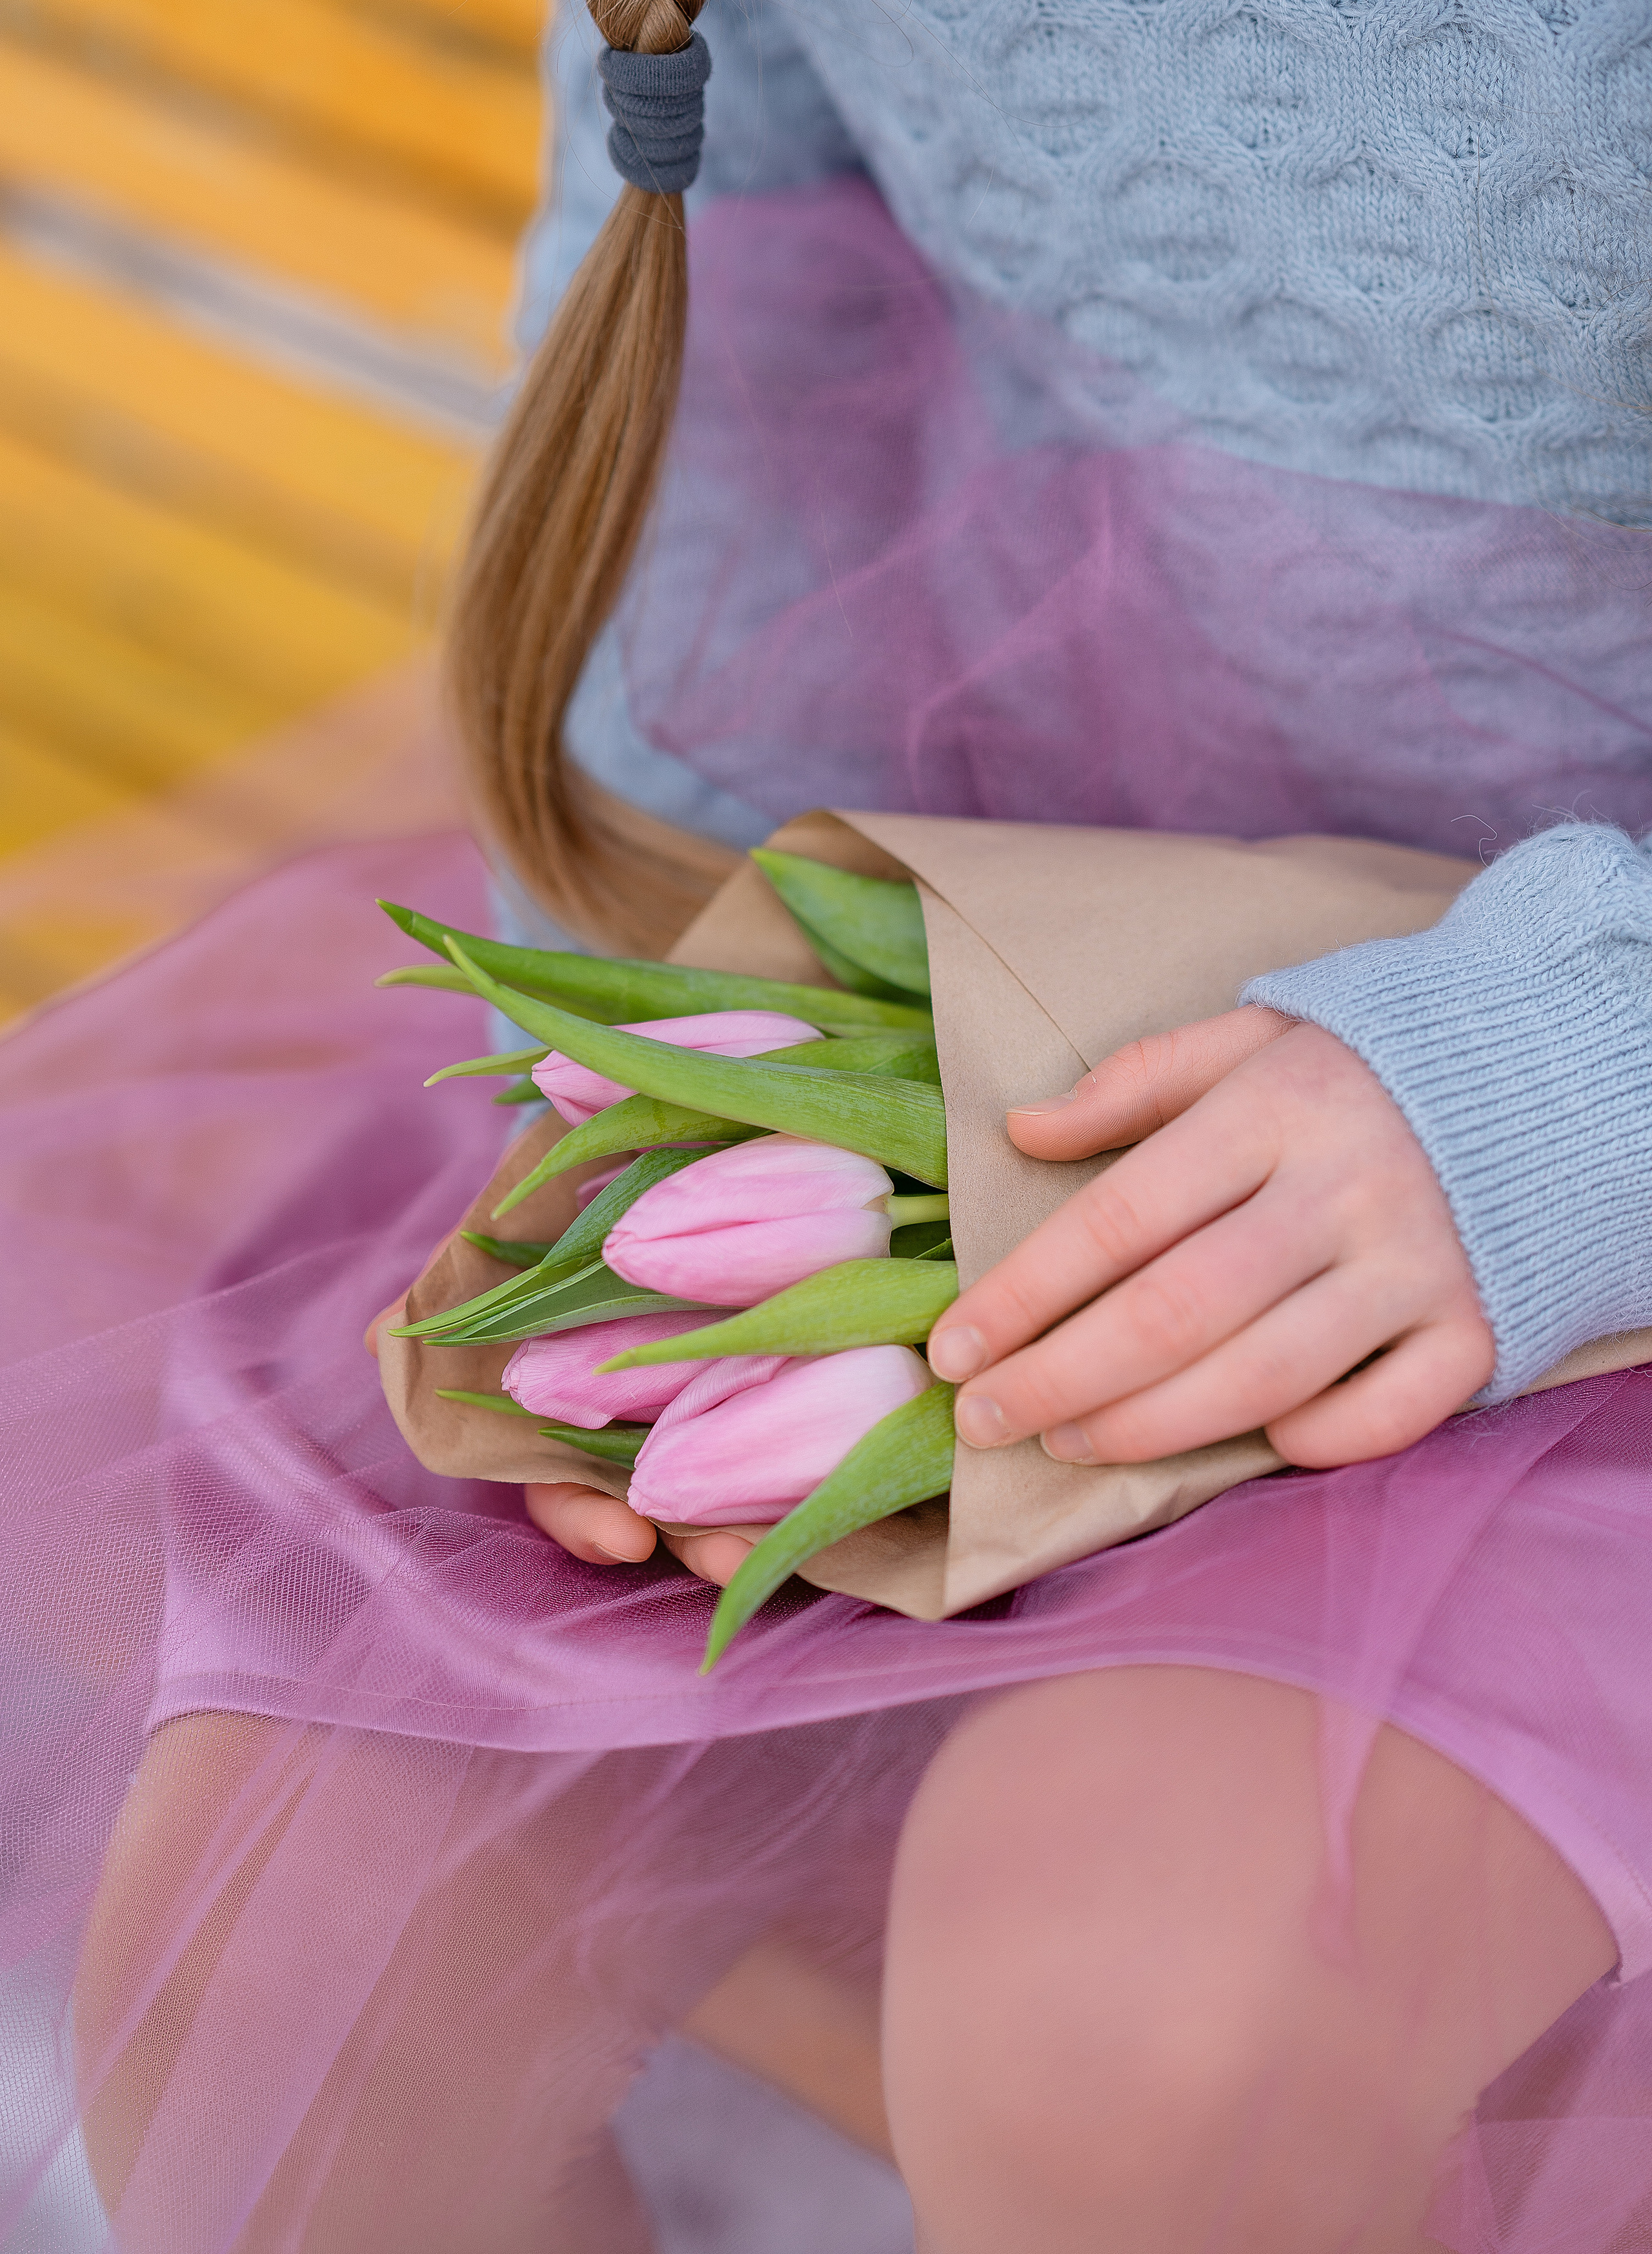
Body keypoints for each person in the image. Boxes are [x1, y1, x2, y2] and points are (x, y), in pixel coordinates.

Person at [2, 0, 1649, 2246]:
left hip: (1590, 1148)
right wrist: (682, 1148)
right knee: (272, 1936)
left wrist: (1567, 1092)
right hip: (1012, 1006)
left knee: (1126, 2019)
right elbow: (719, 374)